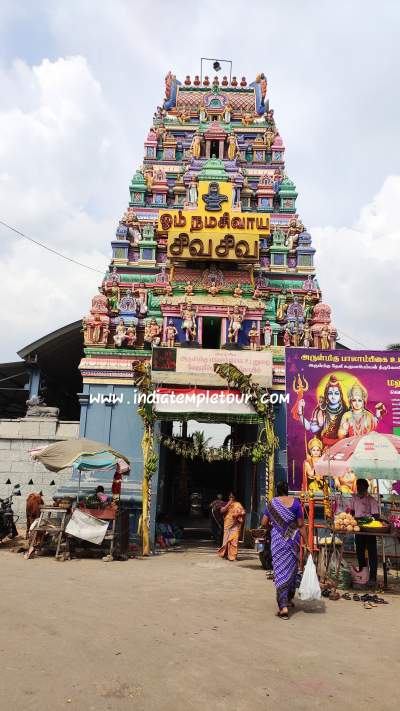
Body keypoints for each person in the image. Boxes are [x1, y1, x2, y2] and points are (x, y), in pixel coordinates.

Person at [261, 481, 308, 619]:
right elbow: (301, 525)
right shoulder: (296, 503)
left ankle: (283, 607)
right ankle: (288, 598)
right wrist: (307, 542)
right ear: (287, 490)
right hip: (293, 541)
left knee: (280, 571)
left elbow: (264, 523)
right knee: (292, 570)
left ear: (277, 490)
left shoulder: (272, 503)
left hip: (277, 542)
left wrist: (273, 526)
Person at [351, 478, 379, 585]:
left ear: (366, 487)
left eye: (361, 486)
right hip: (358, 529)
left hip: (370, 529)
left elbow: (376, 516)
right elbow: (352, 512)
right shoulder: (354, 498)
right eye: (358, 486)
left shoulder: (371, 500)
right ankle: (363, 573)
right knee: (360, 552)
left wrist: (367, 520)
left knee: (372, 553)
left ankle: (373, 577)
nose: (359, 488)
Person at [218, 493, 245, 561]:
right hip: (228, 524)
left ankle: (233, 556)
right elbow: (222, 511)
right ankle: (225, 554)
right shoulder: (225, 503)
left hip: (236, 524)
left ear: (235, 497)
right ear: (228, 497)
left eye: (232, 497)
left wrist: (238, 514)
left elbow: (243, 512)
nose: (231, 498)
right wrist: (228, 504)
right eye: (230, 497)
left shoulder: (238, 504)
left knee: (234, 540)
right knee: (226, 539)